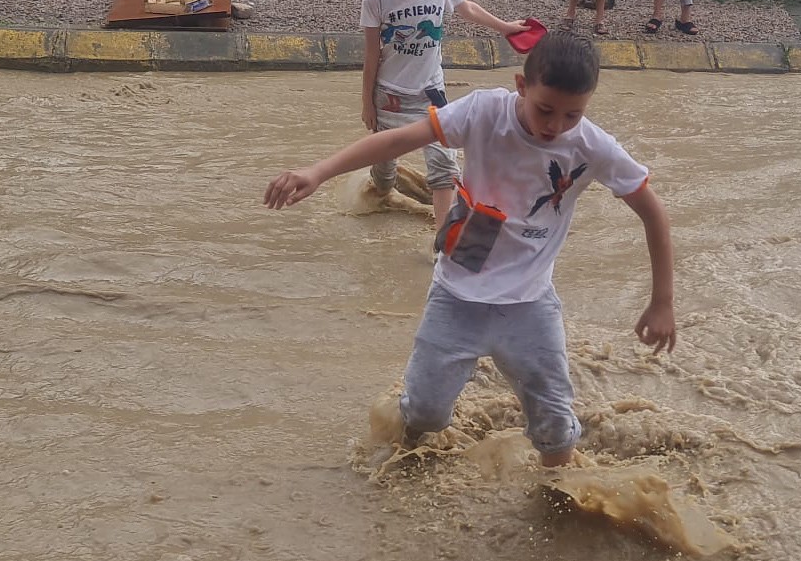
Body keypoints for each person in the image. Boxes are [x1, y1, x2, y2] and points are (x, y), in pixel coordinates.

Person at [265, 33, 678, 468]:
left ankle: (557, 499)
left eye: (573, 114)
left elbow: (653, 213)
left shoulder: (593, 146)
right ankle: (402, 446)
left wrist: (662, 301)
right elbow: (398, 141)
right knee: (426, 413)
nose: (556, 125)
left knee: (555, 429)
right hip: (456, 295)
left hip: (529, 305)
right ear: (521, 86)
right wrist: (319, 171)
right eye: (545, 109)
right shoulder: (484, 111)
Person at [360, 0, 528, 224]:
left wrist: (504, 27)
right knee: (384, 173)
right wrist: (367, 103)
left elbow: (467, 9)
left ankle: (443, 238)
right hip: (390, 97)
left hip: (430, 92)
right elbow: (371, 55)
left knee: (443, 163)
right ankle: (382, 186)